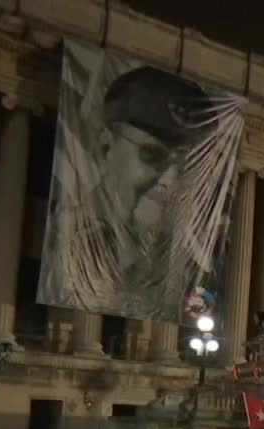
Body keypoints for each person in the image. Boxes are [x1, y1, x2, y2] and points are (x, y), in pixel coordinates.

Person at [41, 61, 216, 319]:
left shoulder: (190, 263)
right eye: (152, 155)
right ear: (105, 148)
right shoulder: (65, 237)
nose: (169, 180)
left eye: (186, 166)